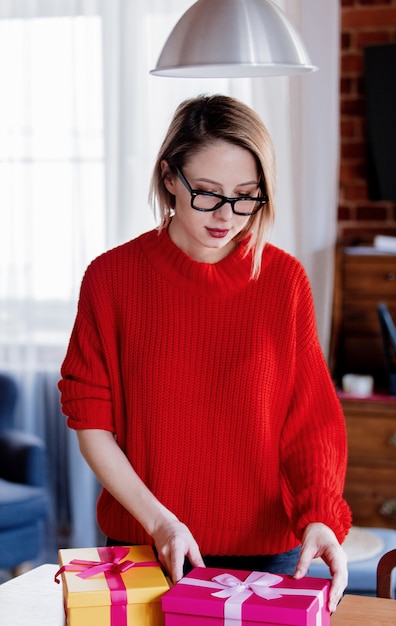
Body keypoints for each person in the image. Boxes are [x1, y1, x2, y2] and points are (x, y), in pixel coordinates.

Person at [58, 94, 351, 612]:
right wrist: (160, 522)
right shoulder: (111, 280)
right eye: (208, 194)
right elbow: (91, 425)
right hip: (146, 549)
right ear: (170, 177)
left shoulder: (284, 282)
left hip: (268, 557)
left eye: (246, 196)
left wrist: (320, 515)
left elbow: (310, 423)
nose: (227, 215)